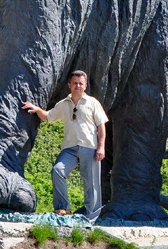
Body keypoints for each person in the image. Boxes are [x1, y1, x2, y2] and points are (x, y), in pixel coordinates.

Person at [21, 70, 108, 220]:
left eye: (81, 83)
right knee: (57, 171)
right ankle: (63, 208)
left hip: (89, 147)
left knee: (91, 183)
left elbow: (101, 126)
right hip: (69, 148)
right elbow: (48, 117)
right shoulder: (63, 104)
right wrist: (36, 109)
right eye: (75, 83)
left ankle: (90, 219)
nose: (78, 86)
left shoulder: (93, 103)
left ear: (85, 86)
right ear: (69, 85)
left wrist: (101, 147)